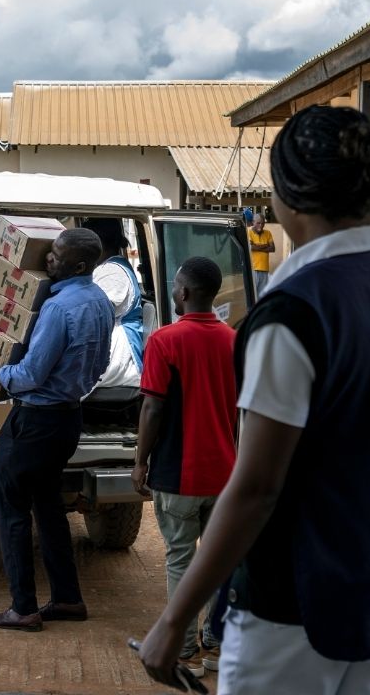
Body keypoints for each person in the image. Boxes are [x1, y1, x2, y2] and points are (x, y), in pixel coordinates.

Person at [139, 105, 370, 694]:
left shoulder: (291, 311)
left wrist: (173, 620)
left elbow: (259, 486)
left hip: (293, 602)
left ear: (288, 198)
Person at [0, 228, 113, 632]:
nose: (48, 260)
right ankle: (67, 599)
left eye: (57, 256)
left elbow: (29, 373)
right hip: (68, 419)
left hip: (36, 421)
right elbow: (100, 365)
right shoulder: (99, 301)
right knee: (48, 507)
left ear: (78, 264)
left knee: (12, 510)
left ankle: (23, 608)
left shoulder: (59, 309)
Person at [131, 256, 238, 679]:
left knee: (180, 559)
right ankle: (214, 644)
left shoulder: (164, 341)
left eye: (176, 286)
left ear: (186, 293)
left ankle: (187, 650)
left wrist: (140, 462)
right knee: (218, 562)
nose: (173, 291)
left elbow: (153, 407)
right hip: (226, 474)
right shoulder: (233, 340)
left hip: (179, 473)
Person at [83, 218, 144, 391]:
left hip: (118, 355)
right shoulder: (105, 268)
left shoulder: (113, 272)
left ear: (99, 244)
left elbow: (95, 315)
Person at [248, 210, 276, 295]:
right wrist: (265, 245)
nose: (261, 225)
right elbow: (251, 247)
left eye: (263, 223)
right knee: (252, 295)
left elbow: (272, 248)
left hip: (264, 269)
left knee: (261, 295)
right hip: (253, 269)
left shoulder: (268, 233)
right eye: (258, 223)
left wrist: (257, 246)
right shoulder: (248, 232)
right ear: (253, 222)